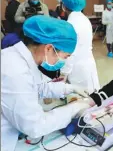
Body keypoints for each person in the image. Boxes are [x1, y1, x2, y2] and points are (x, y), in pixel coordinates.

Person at [1, 16, 93, 151]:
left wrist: (69, 88)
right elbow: (35, 126)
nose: (64, 61)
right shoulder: (15, 71)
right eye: (65, 56)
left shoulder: (19, 57)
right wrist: (74, 108)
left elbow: (38, 86)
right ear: (49, 48)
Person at [61, 0, 100, 94]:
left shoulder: (70, 25)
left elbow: (70, 54)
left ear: (64, 5)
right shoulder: (85, 19)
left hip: (77, 68)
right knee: (92, 94)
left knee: (81, 98)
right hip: (88, 63)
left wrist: (63, 74)